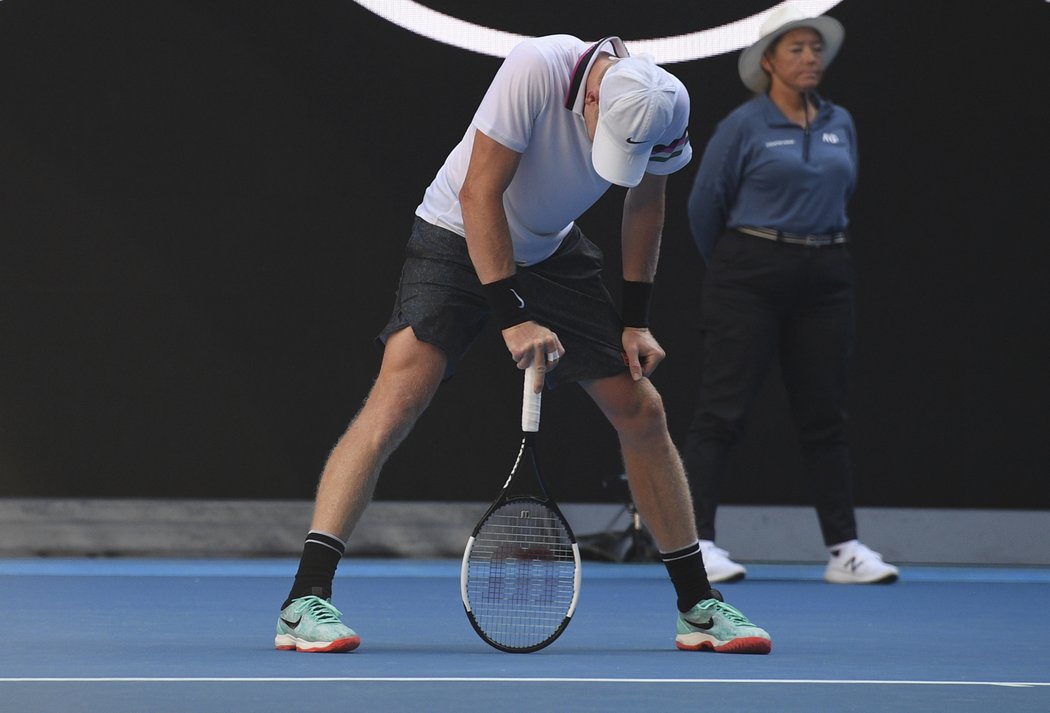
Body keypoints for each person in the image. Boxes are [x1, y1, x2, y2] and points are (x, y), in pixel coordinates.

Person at [273, 35, 771, 654]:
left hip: (551, 249)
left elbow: (645, 204)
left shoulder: (665, 103)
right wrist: (511, 317)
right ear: (591, 95)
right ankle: (304, 601)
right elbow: (480, 192)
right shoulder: (537, 67)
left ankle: (698, 607)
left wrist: (635, 320)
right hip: (456, 234)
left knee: (643, 411)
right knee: (396, 402)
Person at [682, 4, 899, 585]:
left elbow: (844, 189)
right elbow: (705, 207)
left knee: (825, 415)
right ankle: (696, 544)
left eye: (816, 48)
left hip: (826, 273)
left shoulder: (840, 122)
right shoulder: (743, 126)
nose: (810, 58)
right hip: (748, 273)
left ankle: (845, 551)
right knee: (720, 412)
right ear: (769, 62)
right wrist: (740, 265)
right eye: (797, 49)